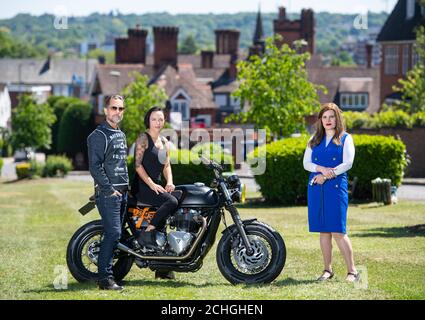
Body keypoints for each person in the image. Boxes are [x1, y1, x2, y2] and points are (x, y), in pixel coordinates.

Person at [303, 103, 359, 282]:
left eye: (331, 116)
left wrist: (327, 175)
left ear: (337, 118)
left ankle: (353, 272)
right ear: (320, 120)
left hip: (335, 188)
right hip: (316, 188)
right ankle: (327, 270)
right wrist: (320, 168)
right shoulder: (314, 139)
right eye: (324, 117)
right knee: (323, 231)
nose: (328, 120)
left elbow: (348, 163)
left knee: (338, 231)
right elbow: (306, 163)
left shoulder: (345, 138)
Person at [87, 94, 128, 290]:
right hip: (109, 194)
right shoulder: (98, 135)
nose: (117, 112)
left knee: (116, 236)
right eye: (114, 108)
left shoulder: (120, 134)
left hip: (123, 193)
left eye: (120, 109)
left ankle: (111, 274)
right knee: (113, 233)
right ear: (105, 111)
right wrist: (109, 189)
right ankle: (105, 279)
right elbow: (95, 167)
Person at [133, 106, 179, 279]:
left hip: (157, 186)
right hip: (142, 187)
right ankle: (147, 233)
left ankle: (163, 269)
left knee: (177, 200)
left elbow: (167, 166)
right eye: (154, 119)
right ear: (148, 121)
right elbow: (137, 165)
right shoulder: (143, 138)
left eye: (160, 119)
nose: (158, 122)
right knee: (171, 202)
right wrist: (152, 184)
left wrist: (170, 182)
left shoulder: (165, 142)